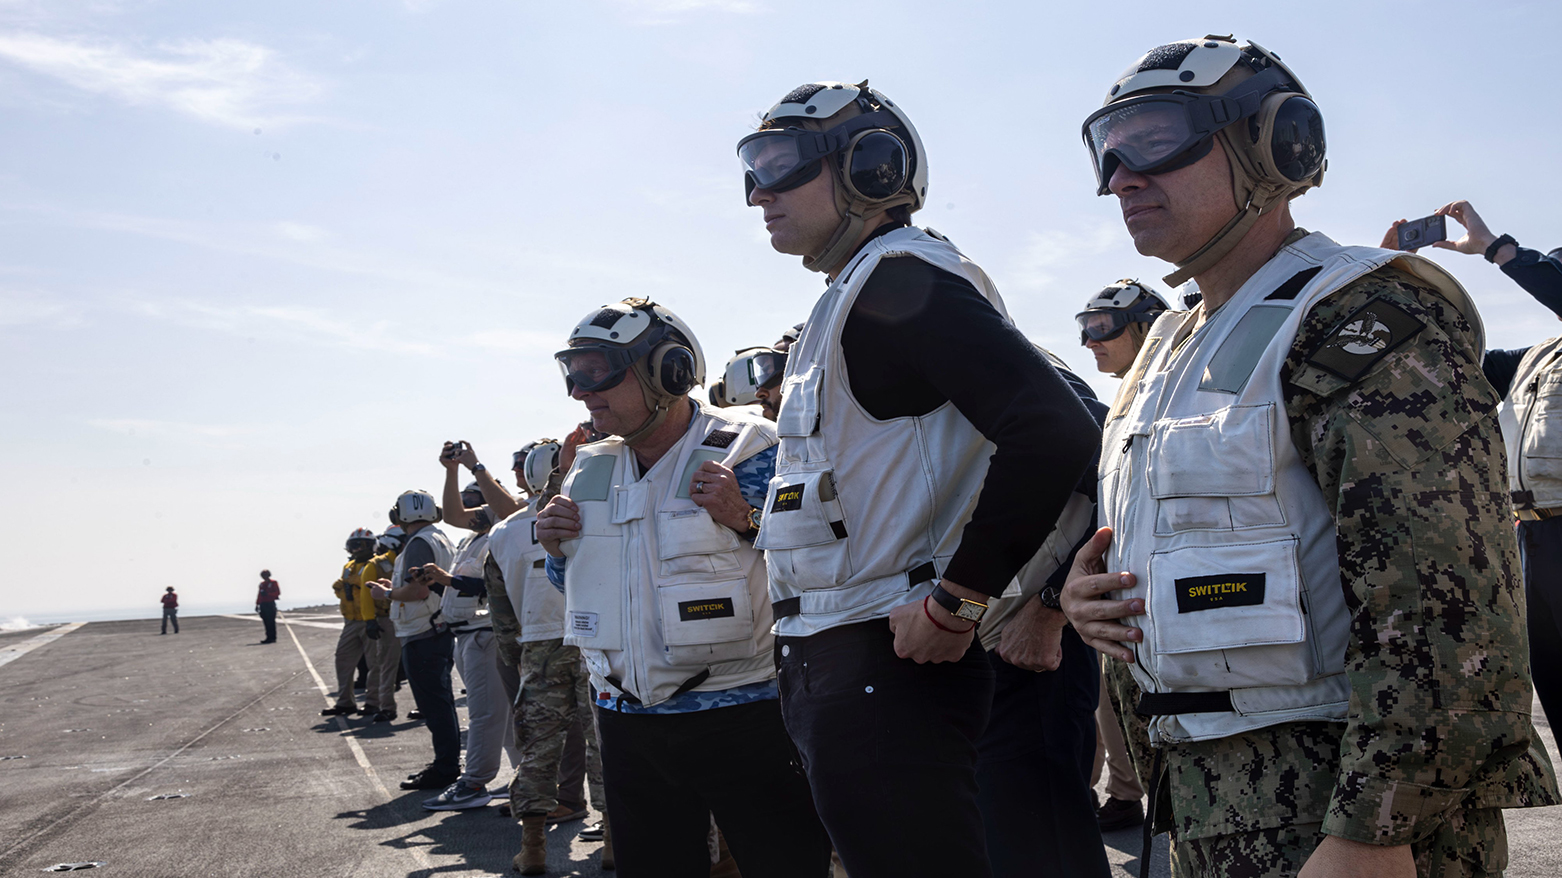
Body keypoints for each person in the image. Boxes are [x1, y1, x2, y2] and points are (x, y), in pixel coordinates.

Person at [1061, 36, 1559, 878]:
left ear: (1276, 144)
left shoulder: (1362, 314)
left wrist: (1375, 831)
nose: (1120, 176)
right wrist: (1090, 600)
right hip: (1211, 808)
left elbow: (1446, 608)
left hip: (1340, 818)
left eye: (1153, 139)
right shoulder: (1172, 348)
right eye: (1107, 151)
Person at [739, 81, 1101, 876]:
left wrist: (959, 597)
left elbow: (1056, 429)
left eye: (781, 164)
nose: (758, 191)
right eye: (751, 169)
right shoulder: (854, 292)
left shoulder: (900, 281)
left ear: (871, 168)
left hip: (890, 658)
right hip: (845, 654)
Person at [538, 298, 832, 877]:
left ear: (667, 371)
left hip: (746, 712)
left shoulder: (754, 447)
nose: (580, 390)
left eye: (598, 371)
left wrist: (743, 518)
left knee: (785, 864)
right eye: (573, 372)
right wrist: (555, 549)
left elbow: (822, 561)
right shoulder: (588, 466)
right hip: (627, 719)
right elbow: (579, 580)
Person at [1381, 199, 1562, 736]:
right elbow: (1443, 358)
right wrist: (1388, 277)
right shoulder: (1537, 357)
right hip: (1533, 540)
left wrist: (1495, 250)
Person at [972, 347, 1113, 878]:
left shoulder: (994, 361)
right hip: (965, 646)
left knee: (1038, 847)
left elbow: (1120, 481)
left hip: (1023, 648)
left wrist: (1051, 605)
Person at [1076, 279, 1172, 832]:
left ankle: (1132, 793)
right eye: (1084, 328)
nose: (1091, 341)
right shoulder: (1125, 401)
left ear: (1145, 324)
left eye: (1102, 326)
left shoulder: (1174, 389)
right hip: (1123, 590)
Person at [489, 436, 609, 874]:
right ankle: (614, 837)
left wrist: (514, 661)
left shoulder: (502, 533)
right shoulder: (593, 512)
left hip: (537, 648)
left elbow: (501, 613)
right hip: (593, 639)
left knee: (538, 747)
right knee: (601, 741)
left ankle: (534, 845)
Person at [415, 503, 508, 810]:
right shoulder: (469, 542)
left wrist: (448, 580)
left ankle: (474, 783)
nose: (466, 508)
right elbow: (462, 592)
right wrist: (438, 583)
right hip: (466, 633)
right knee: (502, 715)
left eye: (474, 501)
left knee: (483, 713)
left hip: (483, 634)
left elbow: (493, 588)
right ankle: (522, 775)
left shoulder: (498, 537)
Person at [370, 490, 458, 791]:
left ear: (400, 515)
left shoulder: (419, 543)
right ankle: (447, 763)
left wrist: (387, 594)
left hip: (422, 632)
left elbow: (418, 591)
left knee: (434, 706)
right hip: (438, 627)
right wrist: (394, 586)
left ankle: (446, 767)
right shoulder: (439, 538)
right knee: (441, 703)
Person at [322, 528, 381, 717]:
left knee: (375, 663)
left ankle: (374, 702)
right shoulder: (349, 566)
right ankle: (345, 702)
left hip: (372, 618)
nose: (355, 549)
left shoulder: (378, 564)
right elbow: (343, 588)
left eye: (360, 545)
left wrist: (353, 583)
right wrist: (341, 588)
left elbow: (375, 585)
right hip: (351, 620)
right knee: (343, 660)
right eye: (353, 545)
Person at [364, 528, 402, 723]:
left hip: (412, 617)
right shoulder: (376, 564)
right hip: (387, 619)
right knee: (386, 664)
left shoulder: (410, 559)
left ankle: (424, 707)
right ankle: (384, 705)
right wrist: (369, 620)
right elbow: (366, 592)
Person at [255, 570, 280, 643]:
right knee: (266, 621)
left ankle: (272, 637)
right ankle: (268, 637)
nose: (264, 577)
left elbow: (277, 593)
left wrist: (268, 594)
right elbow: (259, 595)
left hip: (270, 603)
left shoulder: (273, 583)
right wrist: (257, 604)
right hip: (263, 604)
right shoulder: (262, 584)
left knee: (271, 621)